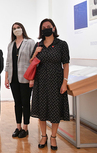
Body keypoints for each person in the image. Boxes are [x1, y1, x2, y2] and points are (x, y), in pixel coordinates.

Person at [30, 18, 70, 150]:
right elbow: (31, 62)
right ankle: (43, 136)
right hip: (41, 81)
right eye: (43, 27)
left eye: (48, 26)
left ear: (53, 28)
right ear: (41, 31)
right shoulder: (38, 45)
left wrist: (65, 82)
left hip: (56, 81)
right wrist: (36, 52)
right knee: (42, 110)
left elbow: (65, 64)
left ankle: (53, 137)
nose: (46, 28)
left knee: (54, 109)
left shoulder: (62, 44)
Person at [5, 22, 35, 138]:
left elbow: (33, 62)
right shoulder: (11, 44)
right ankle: (18, 127)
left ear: (22, 29)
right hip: (13, 79)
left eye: (18, 27)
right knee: (17, 103)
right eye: (14, 28)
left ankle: (25, 127)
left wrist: (32, 79)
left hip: (26, 78)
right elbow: (8, 62)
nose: (16, 30)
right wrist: (6, 78)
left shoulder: (30, 42)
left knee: (26, 103)